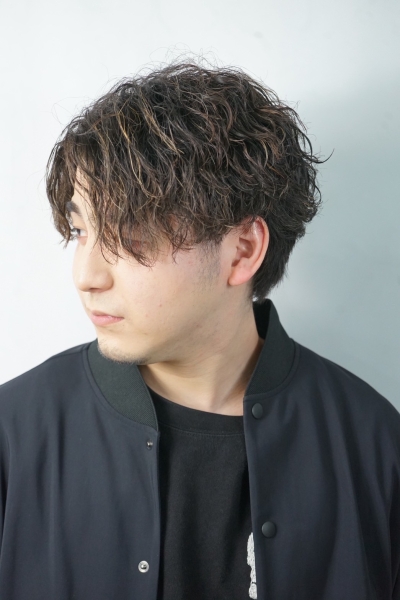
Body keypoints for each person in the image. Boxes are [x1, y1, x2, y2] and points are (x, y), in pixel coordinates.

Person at [0, 59, 399, 600]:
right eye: (80, 230)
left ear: (243, 250)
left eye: (130, 236)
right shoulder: (14, 434)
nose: (87, 276)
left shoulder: (373, 446)